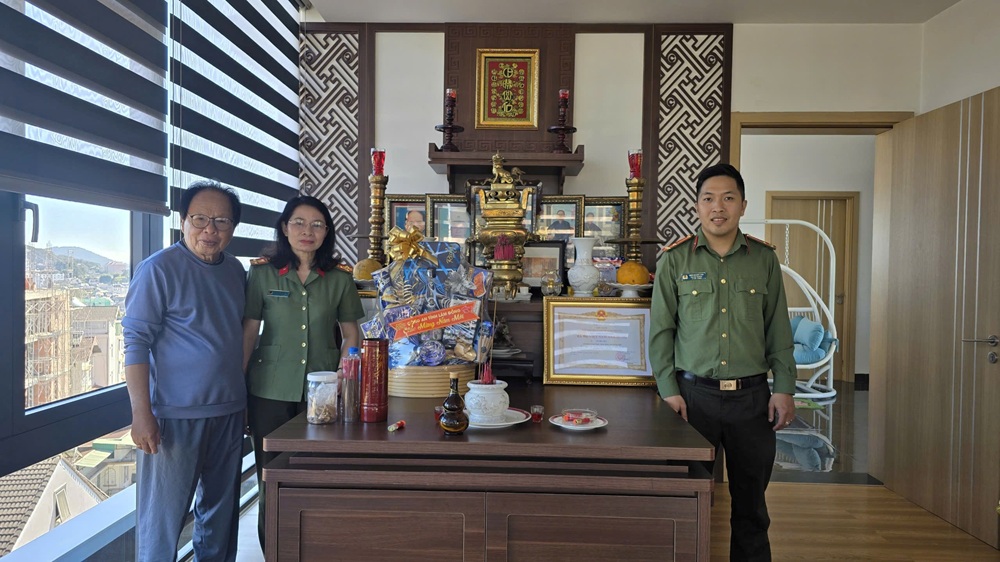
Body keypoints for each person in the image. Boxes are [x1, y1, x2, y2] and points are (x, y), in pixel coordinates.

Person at [649, 163, 795, 561]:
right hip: (692, 400)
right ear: (697, 206)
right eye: (709, 198)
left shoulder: (763, 259)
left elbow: (778, 330)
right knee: (687, 505)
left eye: (728, 198)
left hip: (753, 401)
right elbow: (661, 332)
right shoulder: (675, 260)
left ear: (743, 205)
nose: (718, 207)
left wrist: (784, 388)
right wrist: (668, 391)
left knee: (752, 510)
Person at [123, 180, 247, 562]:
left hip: (228, 410)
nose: (210, 229)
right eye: (200, 219)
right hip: (174, 416)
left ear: (233, 228)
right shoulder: (158, 269)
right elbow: (135, 342)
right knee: (162, 523)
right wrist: (141, 413)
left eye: (222, 221)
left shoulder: (236, 271)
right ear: (182, 221)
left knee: (220, 518)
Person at [242, 195, 364, 548]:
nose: (307, 231)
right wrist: (238, 383)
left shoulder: (339, 278)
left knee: (318, 474)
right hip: (268, 390)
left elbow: (352, 334)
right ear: (284, 227)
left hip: (323, 391)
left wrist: (343, 376)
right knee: (270, 478)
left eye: (316, 224)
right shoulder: (262, 273)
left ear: (326, 232)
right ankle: (272, 551)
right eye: (298, 222)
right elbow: (249, 331)